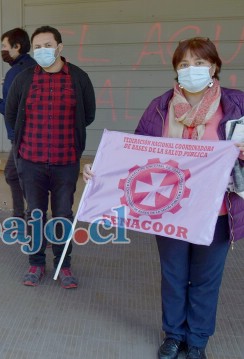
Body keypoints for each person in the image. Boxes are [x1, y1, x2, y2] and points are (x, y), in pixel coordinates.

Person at [83, 37, 244, 359]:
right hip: (169, 209)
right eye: (184, 64)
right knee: (174, 275)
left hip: (218, 212)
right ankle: (173, 335)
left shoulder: (236, 105)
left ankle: (196, 341)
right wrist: (99, 169)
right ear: (175, 70)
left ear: (214, 66)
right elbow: (135, 153)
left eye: (199, 63)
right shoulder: (160, 107)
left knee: (206, 279)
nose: (191, 70)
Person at [5, 26, 96, 289]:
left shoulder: (78, 78)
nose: (42, 51)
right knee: (35, 214)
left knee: (63, 214)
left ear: (60, 47)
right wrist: (20, 148)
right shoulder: (24, 79)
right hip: (31, 161)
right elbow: (12, 115)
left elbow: (87, 115)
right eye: (38, 47)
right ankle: (36, 262)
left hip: (66, 161)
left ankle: (63, 265)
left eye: (48, 45)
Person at [0, 27, 36, 219]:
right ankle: (20, 217)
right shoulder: (32, 66)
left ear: (17, 47)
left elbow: (10, 109)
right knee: (13, 174)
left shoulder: (14, 73)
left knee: (25, 180)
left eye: (4, 46)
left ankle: (34, 223)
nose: (2, 50)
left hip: (21, 135)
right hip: (33, 133)